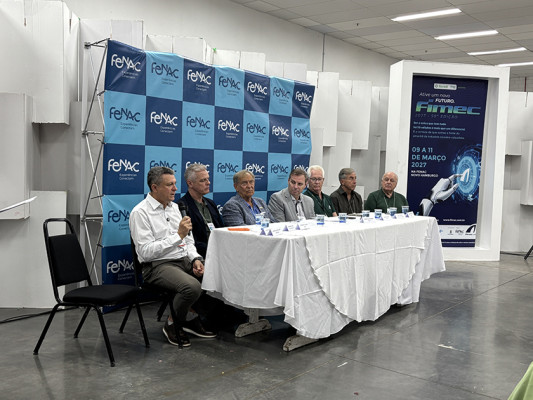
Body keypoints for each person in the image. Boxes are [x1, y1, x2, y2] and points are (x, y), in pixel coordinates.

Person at [129, 166, 216, 348]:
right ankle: (172, 323)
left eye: (175, 184)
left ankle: (189, 317)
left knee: (214, 274)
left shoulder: (176, 208)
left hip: (183, 259)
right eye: (170, 185)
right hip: (157, 265)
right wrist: (178, 236)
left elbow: (189, 241)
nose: (175, 188)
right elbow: (145, 252)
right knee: (191, 287)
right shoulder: (140, 212)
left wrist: (196, 259)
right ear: (154, 187)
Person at [177, 164, 224, 259]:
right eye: (203, 180)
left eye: (208, 179)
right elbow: (189, 240)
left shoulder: (210, 203)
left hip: (221, 251)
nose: (208, 183)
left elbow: (221, 229)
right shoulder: (182, 206)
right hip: (201, 254)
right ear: (190, 183)